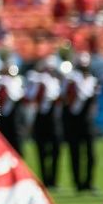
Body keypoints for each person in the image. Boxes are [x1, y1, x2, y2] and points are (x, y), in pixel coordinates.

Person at [63, 53, 99, 193]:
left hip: (87, 122)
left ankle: (89, 183)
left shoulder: (92, 80)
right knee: (75, 153)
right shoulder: (71, 80)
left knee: (90, 154)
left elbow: (93, 101)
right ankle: (78, 183)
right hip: (73, 122)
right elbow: (66, 98)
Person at [26, 58, 62, 189]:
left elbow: (59, 97)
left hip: (53, 120)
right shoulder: (36, 80)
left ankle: (53, 180)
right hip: (40, 120)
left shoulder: (57, 81)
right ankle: (44, 180)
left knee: (55, 151)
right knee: (41, 151)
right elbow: (30, 97)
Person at [0, 64, 25, 153]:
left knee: (15, 142)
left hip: (14, 120)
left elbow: (16, 96)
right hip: (0, 118)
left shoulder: (16, 83)